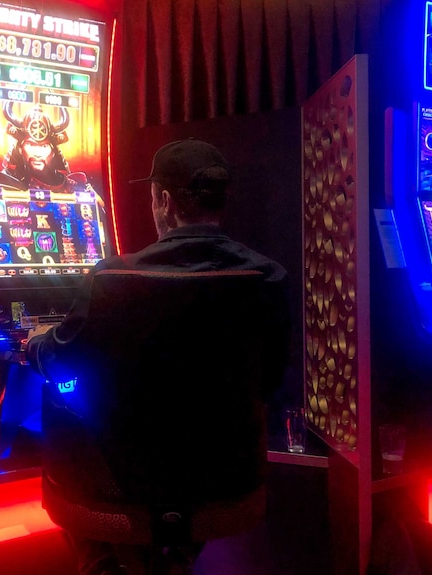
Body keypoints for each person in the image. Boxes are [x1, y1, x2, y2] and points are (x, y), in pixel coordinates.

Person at [25, 138, 290, 575]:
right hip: (226, 479)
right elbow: (270, 383)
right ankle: (175, 558)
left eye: (152, 197)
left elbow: (61, 361)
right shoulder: (266, 278)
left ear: (164, 201)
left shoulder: (114, 279)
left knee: (62, 398)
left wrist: (36, 342)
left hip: (115, 484)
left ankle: (105, 562)